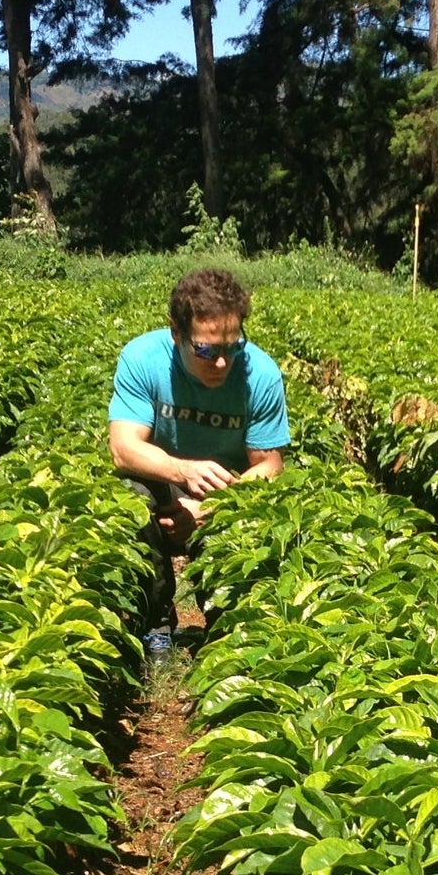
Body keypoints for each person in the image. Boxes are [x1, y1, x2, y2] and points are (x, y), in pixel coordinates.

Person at [109, 267, 289, 660]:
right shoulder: (142, 358)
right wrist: (184, 472)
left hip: (226, 485)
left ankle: (226, 624)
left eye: (232, 347)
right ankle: (155, 622)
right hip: (160, 478)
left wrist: (214, 506)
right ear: (176, 333)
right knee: (129, 500)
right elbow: (123, 448)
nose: (221, 363)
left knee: (248, 520)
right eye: (206, 350)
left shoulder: (261, 375)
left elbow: (270, 465)